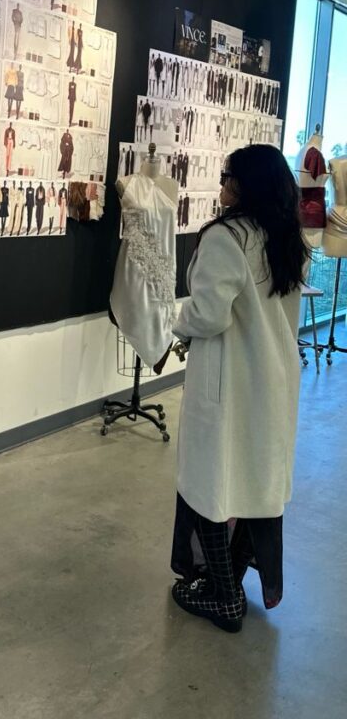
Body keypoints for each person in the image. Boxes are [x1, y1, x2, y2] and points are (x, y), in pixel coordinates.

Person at [170, 144, 309, 634]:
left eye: (228, 176)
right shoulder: (284, 236)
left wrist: (177, 320)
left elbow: (209, 314)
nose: (223, 184)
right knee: (255, 481)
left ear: (245, 184)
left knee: (211, 481)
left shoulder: (225, 238)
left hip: (229, 382)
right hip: (274, 377)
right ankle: (229, 579)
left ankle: (224, 596)